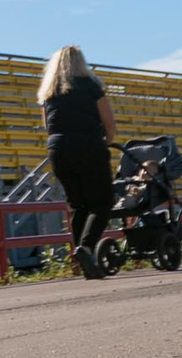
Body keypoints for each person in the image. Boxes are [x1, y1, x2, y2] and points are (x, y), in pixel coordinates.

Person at [38, 44, 122, 278]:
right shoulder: (90, 84)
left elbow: (48, 126)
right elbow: (109, 123)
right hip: (88, 144)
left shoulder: (49, 91)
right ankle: (85, 248)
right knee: (102, 202)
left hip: (58, 148)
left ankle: (81, 261)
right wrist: (106, 141)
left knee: (77, 205)